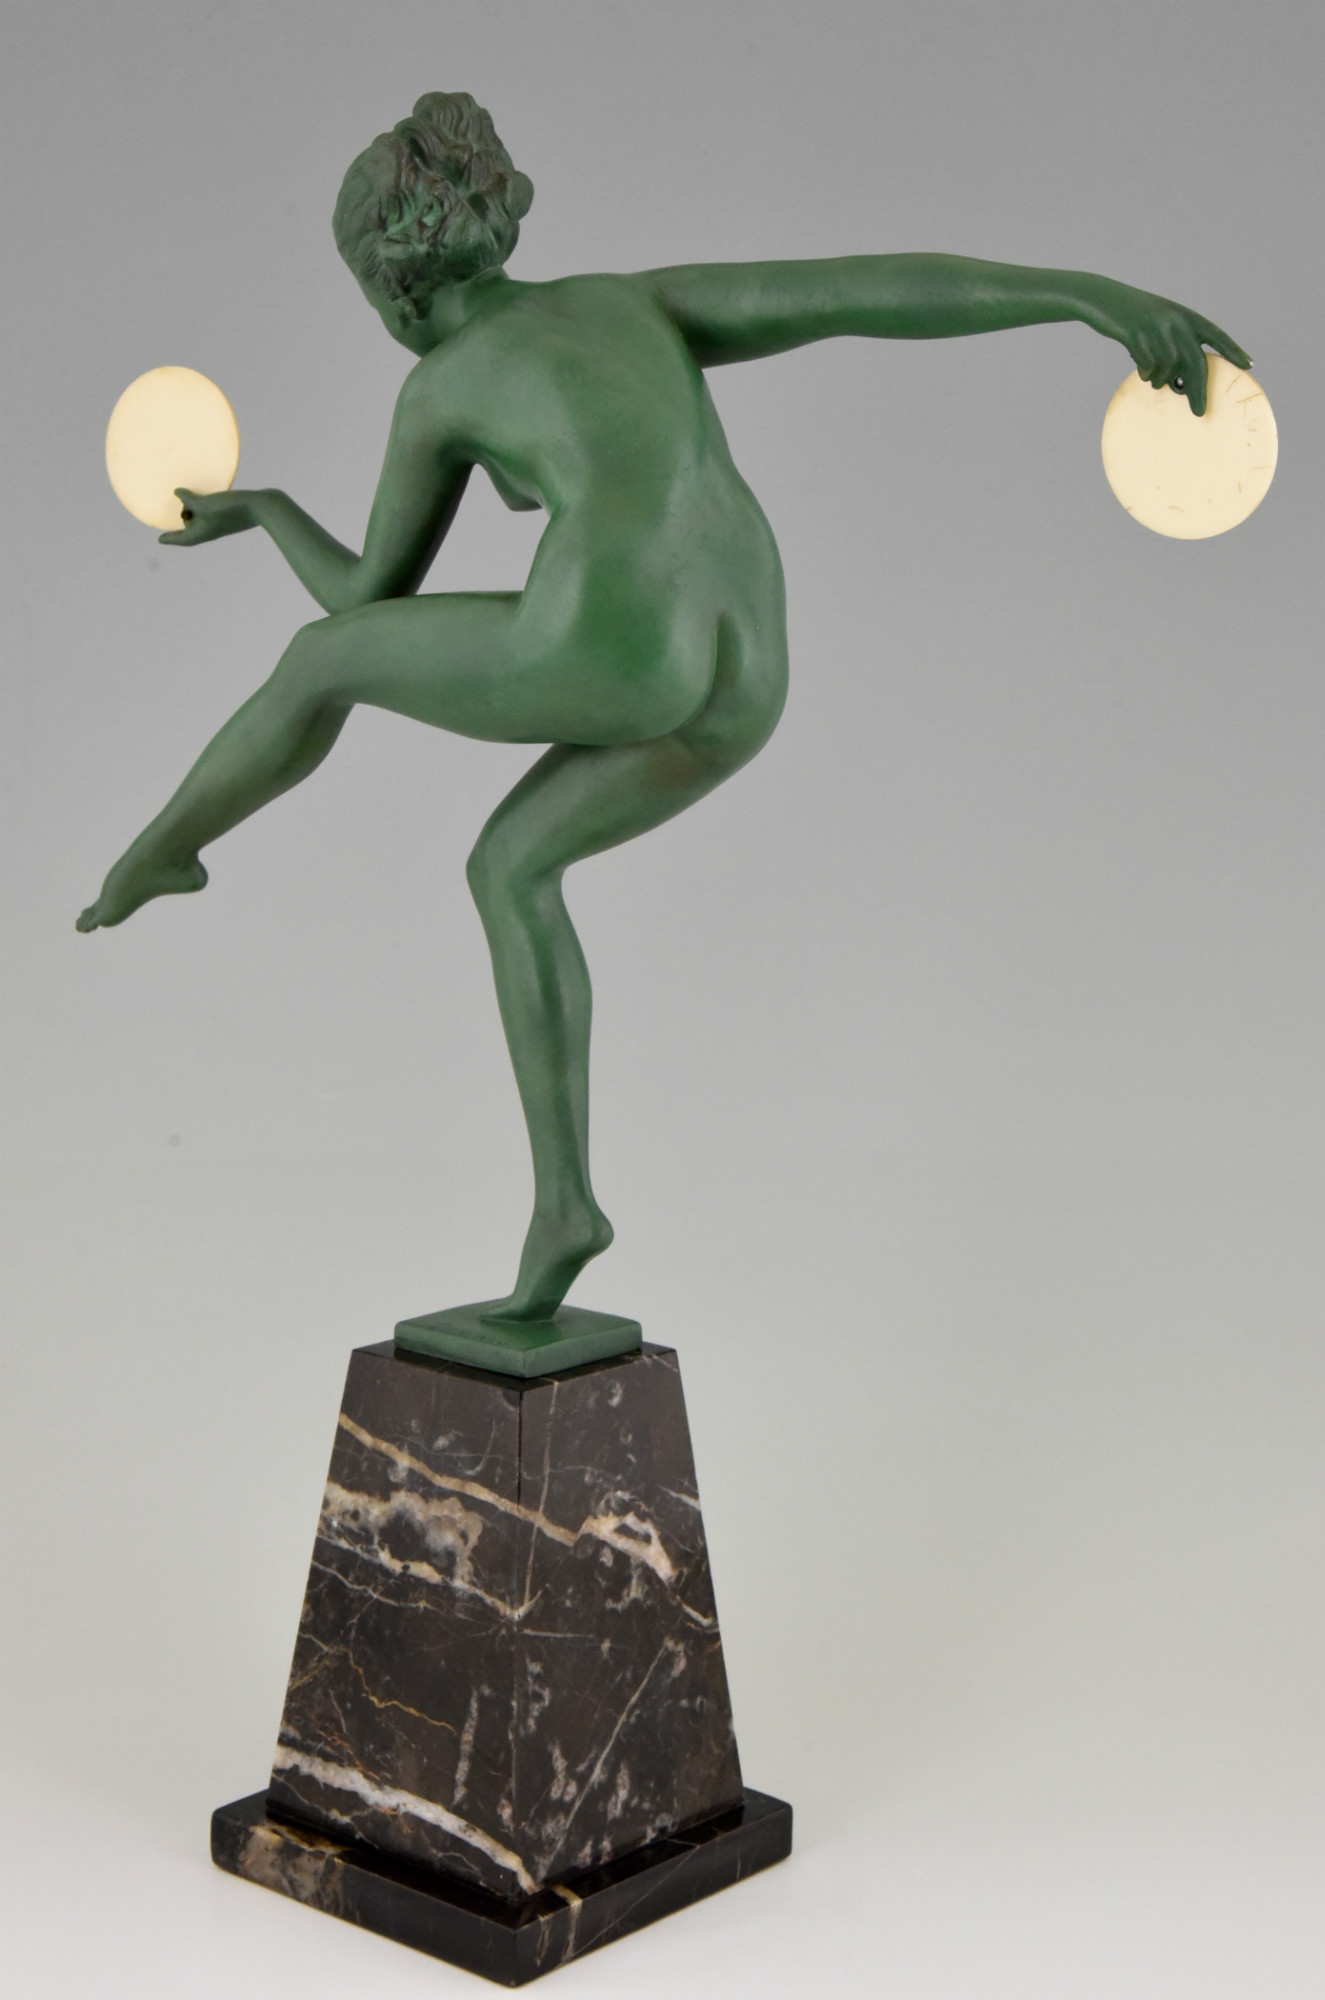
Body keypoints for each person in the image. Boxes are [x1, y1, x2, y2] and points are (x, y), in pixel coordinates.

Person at [77, 91, 1251, 1322]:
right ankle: (563, 1205)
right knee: (510, 865)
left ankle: (165, 850)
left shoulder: (438, 389)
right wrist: (1086, 295)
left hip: (617, 636)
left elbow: (367, 595)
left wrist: (265, 512)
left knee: (320, 659)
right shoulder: (630, 300)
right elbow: (852, 291)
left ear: (393, 287)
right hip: (749, 661)